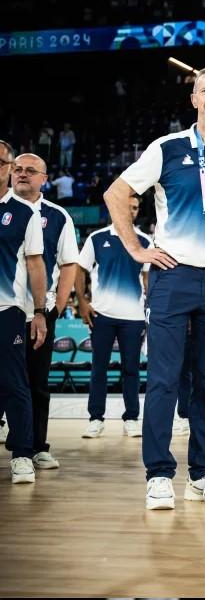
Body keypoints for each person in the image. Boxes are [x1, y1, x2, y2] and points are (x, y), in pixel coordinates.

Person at [105, 66, 205, 510]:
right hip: (173, 275)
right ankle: (159, 474)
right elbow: (116, 193)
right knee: (163, 379)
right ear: (194, 99)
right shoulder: (167, 148)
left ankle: (204, 473)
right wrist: (136, 248)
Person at [12, 153, 79, 471]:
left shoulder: (58, 216)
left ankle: (37, 446)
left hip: (39, 312)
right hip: (5, 309)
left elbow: (69, 264)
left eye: (30, 171)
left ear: (44, 178)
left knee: (36, 381)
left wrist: (58, 305)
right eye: (17, 169)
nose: (22, 174)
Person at [78, 193, 149, 439]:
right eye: (127, 207)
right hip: (102, 315)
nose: (131, 211)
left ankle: (131, 418)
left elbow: (148, 280)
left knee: (131, 369)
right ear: (115, 209)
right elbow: (80, 269)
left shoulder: (145, 241)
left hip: (134, 317)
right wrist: (83, 302)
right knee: (99, 368)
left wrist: (149, 312)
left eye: (135, 208)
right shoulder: (96, 239)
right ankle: (95, 418)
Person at [0, 143, 48, 483]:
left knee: (15, 383)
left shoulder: (24, 213)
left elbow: (35, 264)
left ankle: (21, 454)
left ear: (6, 169)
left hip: (8, 310)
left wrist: (40, 312)